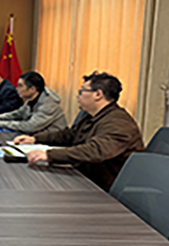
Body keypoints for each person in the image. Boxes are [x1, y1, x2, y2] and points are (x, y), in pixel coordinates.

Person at [13, 71, 144, 192]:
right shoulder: (92, 116)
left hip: (105, 189)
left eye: (81, 91)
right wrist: (35, 139)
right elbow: (69, 135)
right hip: (86, 178)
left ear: (98, 95)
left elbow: (94, 151)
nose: (77, 96)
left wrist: (49, 155)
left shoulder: (119, 123)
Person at [0, 71, 67, 134]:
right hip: (37, 137)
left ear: (32, 89)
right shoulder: (32, 98)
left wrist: (1, 123)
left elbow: (30, 126)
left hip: (52, 142)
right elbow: (19, 113)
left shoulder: (48, 104)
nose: (17, 89)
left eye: (20, 86)